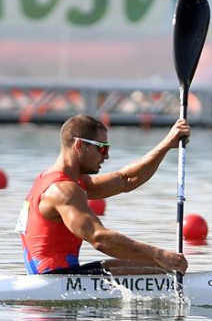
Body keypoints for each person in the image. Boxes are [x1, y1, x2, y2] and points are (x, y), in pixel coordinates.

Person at [16, 114, 190, 276]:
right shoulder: (62, 191)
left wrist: (167, 144)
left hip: (64, 274)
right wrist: (159, 254)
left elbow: (126, 180)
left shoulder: (59, 179)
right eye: (102, 148)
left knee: (159, 268)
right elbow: (99, 238)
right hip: (54, 281)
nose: (106, 156)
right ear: (79, 145)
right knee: (160, 267)